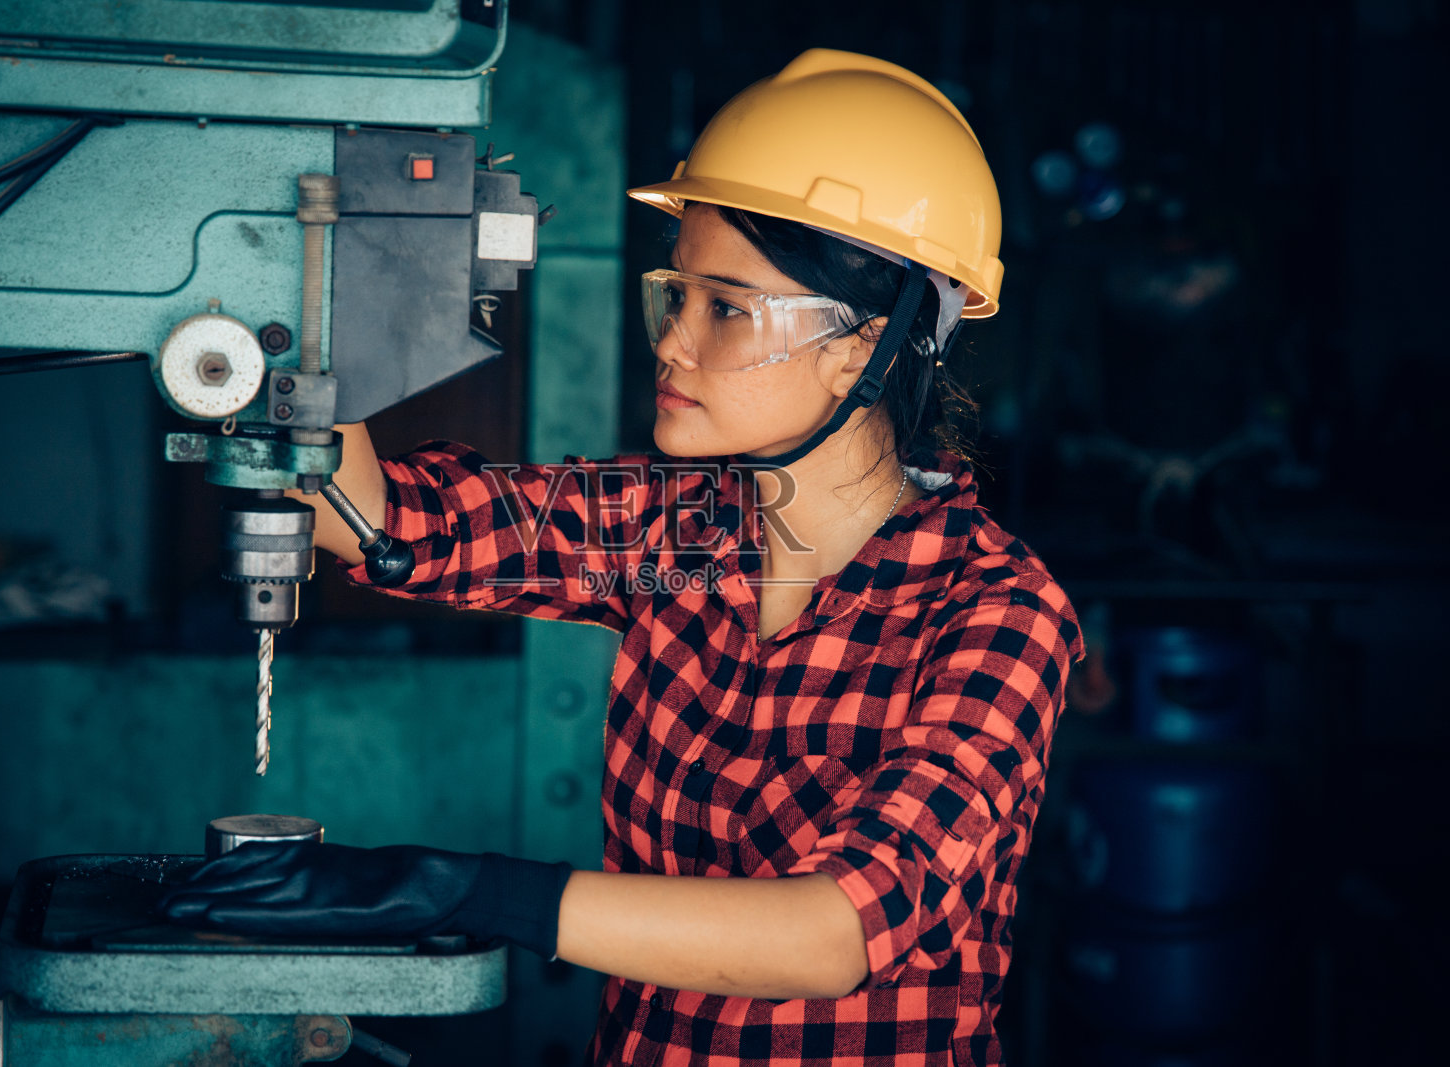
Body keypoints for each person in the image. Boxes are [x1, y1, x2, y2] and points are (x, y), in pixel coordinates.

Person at [161, 49, 1083, 1066]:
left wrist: (469, 890)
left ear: (858, 348)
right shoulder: (672, 529)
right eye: (674, 295)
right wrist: (313, 300)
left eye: (725, 307)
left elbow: (832, 933)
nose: (672, 342)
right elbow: (392, 522)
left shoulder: (997, 615)